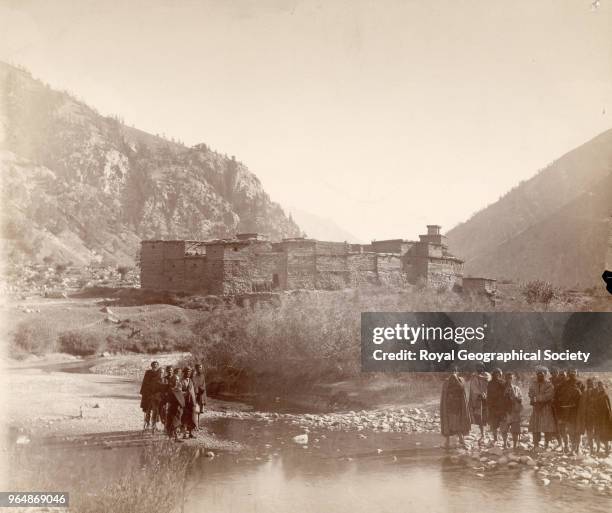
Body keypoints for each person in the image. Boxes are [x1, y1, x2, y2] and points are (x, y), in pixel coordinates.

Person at [528, 366, 557, 452]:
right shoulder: (533, 384)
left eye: (542, 374)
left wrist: (538, 399)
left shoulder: (549, 384)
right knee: (535, 427)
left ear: (545, 375)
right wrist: (534, 400)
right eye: (538, 374)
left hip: (546, 408)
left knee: (547, 427)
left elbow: (549, 395)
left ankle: (547, 444)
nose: (540, 376)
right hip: (536, 408)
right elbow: (531, 393)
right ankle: (536, 444)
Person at [440, 369, 471, 448]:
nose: (453, 372)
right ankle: (447, 441)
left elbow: (461, 388)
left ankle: (461, 439)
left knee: (459, 422)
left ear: (457, 372)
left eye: (454, 371)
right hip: (449, 406)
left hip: (458, 406)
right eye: (451, 371)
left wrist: (455, 378)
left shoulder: (461, 380)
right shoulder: (446, 381)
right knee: (448, 422)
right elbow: (445, 393)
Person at [554, 369, 582, 453]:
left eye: (574, 373)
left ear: (576, 373)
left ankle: (577, 447)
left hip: (576, 411)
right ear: (568, 374)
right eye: (571, 373)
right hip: (563, 411)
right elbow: (556, 398)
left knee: (576, 430)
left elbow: (583, 398)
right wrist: (558, 409)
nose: (572, 374)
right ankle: (566, 446)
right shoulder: (562, 385)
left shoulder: (580, 384)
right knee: (564, 429)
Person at [469, 364, 490, 444]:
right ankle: (482, 434)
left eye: (480, 367)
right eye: (478, 367)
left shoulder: (487, 374)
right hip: (478, 399)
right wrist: (480, 394)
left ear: (483, 368)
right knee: (479, 416)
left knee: (488, 416)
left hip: (487, 399)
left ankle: (492, 435)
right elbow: (474, 388)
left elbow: (488, 379)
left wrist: (478, 376)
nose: (479, 368)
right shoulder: (474, 377)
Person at [501, 371, 522, 450]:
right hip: (505, 410)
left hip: (514, 411)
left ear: (513, 379)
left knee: (515, 428)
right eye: (507, 378)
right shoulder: (501, 388)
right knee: (504, 428)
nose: (509, 379)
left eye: (511, 378)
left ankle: (514, 445)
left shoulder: (516, 388)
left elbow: (520, 398)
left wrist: (517, 398)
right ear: (505, 378)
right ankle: (505, 444)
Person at [139, 361, 163, 432]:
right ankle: (147, 424)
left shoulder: (160, 373)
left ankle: (154, 425)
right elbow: (144, 383)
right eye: (154, 365)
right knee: (148, 410)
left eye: (156, 365)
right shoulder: (148, 373)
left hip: (156, 396)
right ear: (151, 366)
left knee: (156, 411)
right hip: (148, 396)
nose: (155, 366)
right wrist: (144, 394)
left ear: (158, 366)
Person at [576, 378, 597, 453]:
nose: (589, 385)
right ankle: (578, 448)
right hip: (584, 416)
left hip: (591, 417)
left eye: (591, 383)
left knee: (590, 433)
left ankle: (592, 449)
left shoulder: (596, 393)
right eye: (588, 384)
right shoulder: (584, 393)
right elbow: (581, 405)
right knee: (580, 432)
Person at [487, 368, 506, 445]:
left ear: (501, 375)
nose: (497, 375)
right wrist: (489, 405)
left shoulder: (503, 382)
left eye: (499, 374)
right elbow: (488, 395)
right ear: (493, 375)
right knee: (494, 424)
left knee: (503, 424)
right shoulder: (490, 383)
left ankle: (505, 441)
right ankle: (495, 439)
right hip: (493, 407)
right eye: (495, 374)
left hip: (502, 406)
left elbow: (506, 393)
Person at [593, 381, 612, 455]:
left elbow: (607, 409)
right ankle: (599, 450)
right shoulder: (598, 395)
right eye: (598, 386)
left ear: (603, 387)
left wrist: (605, 419)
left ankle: (607, 451)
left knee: (605, 436)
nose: (599, 387)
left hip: (604, 420)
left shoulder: (604, 395)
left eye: (601, 386)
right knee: (599, 435)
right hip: (599, 418)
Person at [165, 374, 185, 441]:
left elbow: (181, 397)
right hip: (173, 408)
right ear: (172, 380)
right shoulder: (170, 388)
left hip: (179, 408)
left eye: (177, 380)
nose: (177, 381)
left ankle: (173, 437)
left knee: (177, 421)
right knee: (173, 422)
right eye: (175, 379)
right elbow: (169, 399)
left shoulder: (179, 388)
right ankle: (174, 437)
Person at [550, 368, 566, 447]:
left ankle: (564, 443)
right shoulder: (549, 381)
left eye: (556, 372)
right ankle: (559, 441)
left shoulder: (562, 382)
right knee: (553, 424)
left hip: (560, 406)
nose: (554, 374)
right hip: (551, 405)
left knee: (561, 424)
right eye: (553, 373)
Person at [180, 367, 198, 439]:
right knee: (184, 418)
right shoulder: (181, 381)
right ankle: (184, 434)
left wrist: (194, 400)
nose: (188, 373)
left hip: (192, 402)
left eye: (189, 372)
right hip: (185, 402)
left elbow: (193, 392)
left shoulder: (191, 380)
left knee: (192, 418)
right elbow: (179, 391)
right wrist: (186, 393)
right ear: (184, 372)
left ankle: (191, 433)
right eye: (187, 372)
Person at [192, 363, 207, 430]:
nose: (200, 369)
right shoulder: (194, 376)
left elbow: (204, 386)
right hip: (195, 395)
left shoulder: (203, 376)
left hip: (201, 395)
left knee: (199, 412)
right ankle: (195, 425)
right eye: (198, 367)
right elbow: (194, 385)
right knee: (195, 411)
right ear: (196, 368)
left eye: (201, 367)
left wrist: (202, 390)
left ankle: (198, 425)